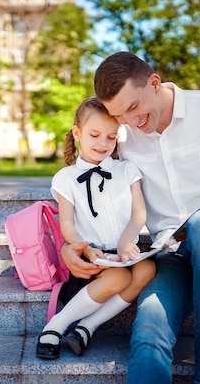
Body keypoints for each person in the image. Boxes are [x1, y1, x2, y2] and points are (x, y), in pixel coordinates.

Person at [60, 52, 200, 383]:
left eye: (134, 107)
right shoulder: (122, 135)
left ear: (154, 83)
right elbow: (85, 189)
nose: (129, 121)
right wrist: (71, 246)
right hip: (170, 253)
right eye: (118, 114)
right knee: (149, 330)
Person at [36, 96, 156, 360]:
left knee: (147, 269)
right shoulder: (65, 178)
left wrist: (126, 241)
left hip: (123, 253)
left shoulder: (127, 170)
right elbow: (66, 222)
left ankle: (86, 327)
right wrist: (85, 249)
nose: (103, 143)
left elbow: (139, 214)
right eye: (95, 135)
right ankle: (55, 326)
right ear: (78, 133)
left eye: (111, 137)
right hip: (91, 260)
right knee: (119, 278)